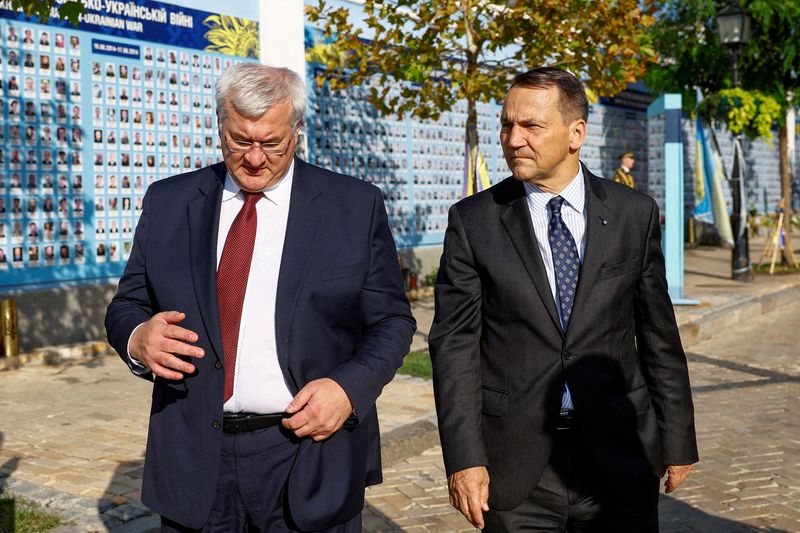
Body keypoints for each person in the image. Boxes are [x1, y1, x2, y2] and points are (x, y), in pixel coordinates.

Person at [105, 63, 415, 532]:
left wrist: (348, 390)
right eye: (239, 140)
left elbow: (391, 321)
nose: (254, 158)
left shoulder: (352, 206)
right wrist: (137, 337)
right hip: (194, 456)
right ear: (219, 127)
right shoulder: (169, 201)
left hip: (308, 451)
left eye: (271, 143)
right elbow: (127, 305)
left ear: (297, 131)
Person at [429, 67, 697, 532]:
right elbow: (454, 347)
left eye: (531, 126)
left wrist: (677, 440)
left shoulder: (634, 214)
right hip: (514, 468)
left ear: (576, 134)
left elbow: (658, 336)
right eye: (507, 125)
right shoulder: (474, 222)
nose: (513, 140)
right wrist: (464, 458)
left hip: (619, 455)